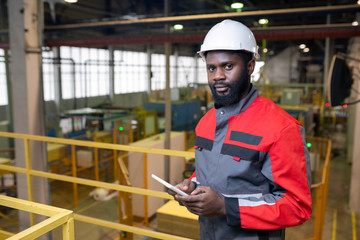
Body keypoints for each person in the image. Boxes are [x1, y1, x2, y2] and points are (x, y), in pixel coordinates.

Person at [168, 19, 312, 240]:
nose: (217, 76)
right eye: (211, 68)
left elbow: (297, 206)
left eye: (228, 66)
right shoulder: (206, 122)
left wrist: (226, 207)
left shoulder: (281, 128)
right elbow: (214, 173)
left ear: (250, 66)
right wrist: (192, 186)